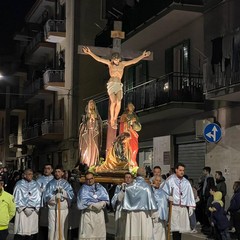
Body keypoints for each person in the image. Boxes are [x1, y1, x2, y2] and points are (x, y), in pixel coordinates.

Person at [82, 46, 150, 129]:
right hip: (111, 84)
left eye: (117, 59)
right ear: (112, 59)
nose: (116, 61)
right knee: (113, 101)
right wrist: (90, 53)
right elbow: (99, 59)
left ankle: (114, 118)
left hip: (119, 84)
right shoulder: (109, 63)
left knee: (118, 101)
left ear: (119, 59)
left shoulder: (122, 64)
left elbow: (133, 61)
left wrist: (142, 56)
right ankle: (112, 120)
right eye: (115, 59)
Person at [162, 163, 196, 240]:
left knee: (181, 228)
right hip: (173, 207)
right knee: (175, 228)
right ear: (176, 170)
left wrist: (190, 206)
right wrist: (168, 197)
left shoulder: (186, 182)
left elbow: (189, 194)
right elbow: (163, 192)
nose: (182, 172)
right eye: (180, 170)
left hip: (182, 208)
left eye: (183, 170)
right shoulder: (170, 180)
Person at [122, 167, 158, 239]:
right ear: (145, 174)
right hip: (143, 214)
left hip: (131, 214)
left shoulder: (129, 187)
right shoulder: (146, 187)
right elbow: (151, 202)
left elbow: (125, 203)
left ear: (136, 174)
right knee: (143, 233)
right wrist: (154, 215)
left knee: (132, 232)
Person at [44, 165, 74, 240]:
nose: (57, 173)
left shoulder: (66, 184)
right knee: (52, 228)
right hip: (53, 209)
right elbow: (45, 196)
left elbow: (71, 195)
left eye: (59, 172)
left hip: (63, 209)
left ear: (62, 173)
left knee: (62, 227)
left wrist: (63, 193)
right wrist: (54, 197)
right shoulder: (50, 184)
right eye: (56, 172)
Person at [77, 172, 109, 240]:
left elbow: (105, 199)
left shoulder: (100, 187)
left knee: (99, 233)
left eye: (91, 178)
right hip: (88, 214)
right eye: (88, 179)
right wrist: (93, 205)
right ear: (85, 180)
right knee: (88, 234)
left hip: (99, 214)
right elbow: (82, 202)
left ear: (94, 178)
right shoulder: (83, 189)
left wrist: (102, 203)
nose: (90, 180)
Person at [13, 169, 41, 240]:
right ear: (24, 175)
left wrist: (34, 208)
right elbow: (16, 197)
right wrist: (23, 208)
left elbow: (39, 197)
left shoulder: (36, 184)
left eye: (32, 174)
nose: (31, 175)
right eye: (29, 174)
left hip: (33, 212)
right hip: (22, 212)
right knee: (21, 232)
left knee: (31, 233)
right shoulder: (19, 184)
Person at [79, 99, 102, 167]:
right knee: (86, 148)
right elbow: (82, 125)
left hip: (95, 134)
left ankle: (93, 162)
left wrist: (95, 120)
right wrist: (88, 120)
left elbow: (100, 125)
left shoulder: (97, 116)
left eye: (93, 104)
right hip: (87, 133)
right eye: (90, 104)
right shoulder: (84, 116)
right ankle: (86, 164)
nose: (91, 105)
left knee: (94, 147)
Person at [111, 172, 134, 239]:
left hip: (129, 210)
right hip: (120, 209)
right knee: (120, 228)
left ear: (132, 179)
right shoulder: (119, 187)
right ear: (124, 179)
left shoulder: (134, 188)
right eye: (126, 177)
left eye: (129, 177)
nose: (128, 179)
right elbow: (118, 199)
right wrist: (123, 190)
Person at [119, 102, 141, 167]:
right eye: (129, 106)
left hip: (133, 134)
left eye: (132, 106)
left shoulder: (135, 116)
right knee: (126, 148)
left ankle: (133, 162)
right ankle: (128, 163)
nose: (131, 107)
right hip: (127, 134)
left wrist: (134, 123)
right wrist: (129, 122)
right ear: (127, 108)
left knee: (135, 148)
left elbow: (138, 127)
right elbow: (122, 123)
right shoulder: (124, 115)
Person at [36, 163, 54, 238]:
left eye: (48, 168)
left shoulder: (54, 179)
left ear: (52, 170)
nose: (46, 170)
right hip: (43, 206)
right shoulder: (39, 180)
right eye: (45, 168)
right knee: (43, 225)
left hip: (53, 206)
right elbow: (36, 193)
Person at [151, 175, 168, 240]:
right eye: (156, 180)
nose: (158, 182)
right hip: (153, 215)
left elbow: (165, 199)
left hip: (161, 216)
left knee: (161, 233)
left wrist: (169, 198)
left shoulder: (162, 191)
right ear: (153, 181)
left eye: (159, 181)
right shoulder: (150, 190)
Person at [0, 175, 16, 240]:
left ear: (2, 184)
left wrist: (6, 219)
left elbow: (12, 211)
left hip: (3, 228)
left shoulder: (9, 197)